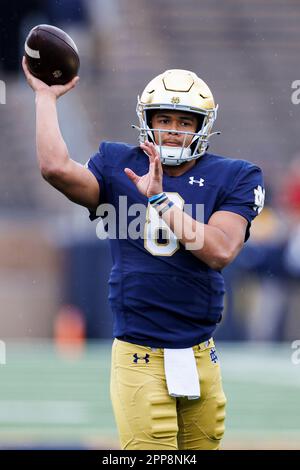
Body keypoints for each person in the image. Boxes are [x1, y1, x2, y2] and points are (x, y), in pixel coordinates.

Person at [22, 60, 265, 450]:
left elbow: (220, 250)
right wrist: (45, 98)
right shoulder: (120, 163)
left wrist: (158, 199)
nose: (171, 130)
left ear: (203, 126)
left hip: (201, 353)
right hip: (140, 354)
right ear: (145, 120)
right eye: (163, 118)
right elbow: (55, 168)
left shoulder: (236, 175)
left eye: (184, 121)